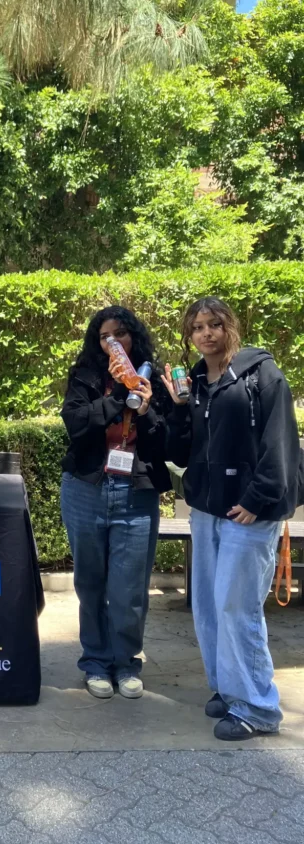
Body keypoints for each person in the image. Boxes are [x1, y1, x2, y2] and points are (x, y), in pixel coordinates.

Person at [164, 296, 299, 741]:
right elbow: (181, 453)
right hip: (207, 509)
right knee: (207, 604)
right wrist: (178, 407)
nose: (205, 334)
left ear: (230, 328)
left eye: (214, 325)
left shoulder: (262, 374)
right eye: (197, 327)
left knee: (236, 607)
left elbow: (281, 443)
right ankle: (228, 686)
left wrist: (259, 498)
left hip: (248, 512)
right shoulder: (198, 383)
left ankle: (258, 707)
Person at [60, 306, 171, 700]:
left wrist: (144, 410)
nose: (114, 342)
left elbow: (166, 441)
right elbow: (75, 424)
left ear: (133, 337)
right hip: (86, 489)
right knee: (90, 584)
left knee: (129, 589)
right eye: (106, 337)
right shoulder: (87, 376)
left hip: (135, 494)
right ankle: (95, 662)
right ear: (98, 343)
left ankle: (126, 663)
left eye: (121, 334)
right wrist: (117, 399)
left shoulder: (151, 378)